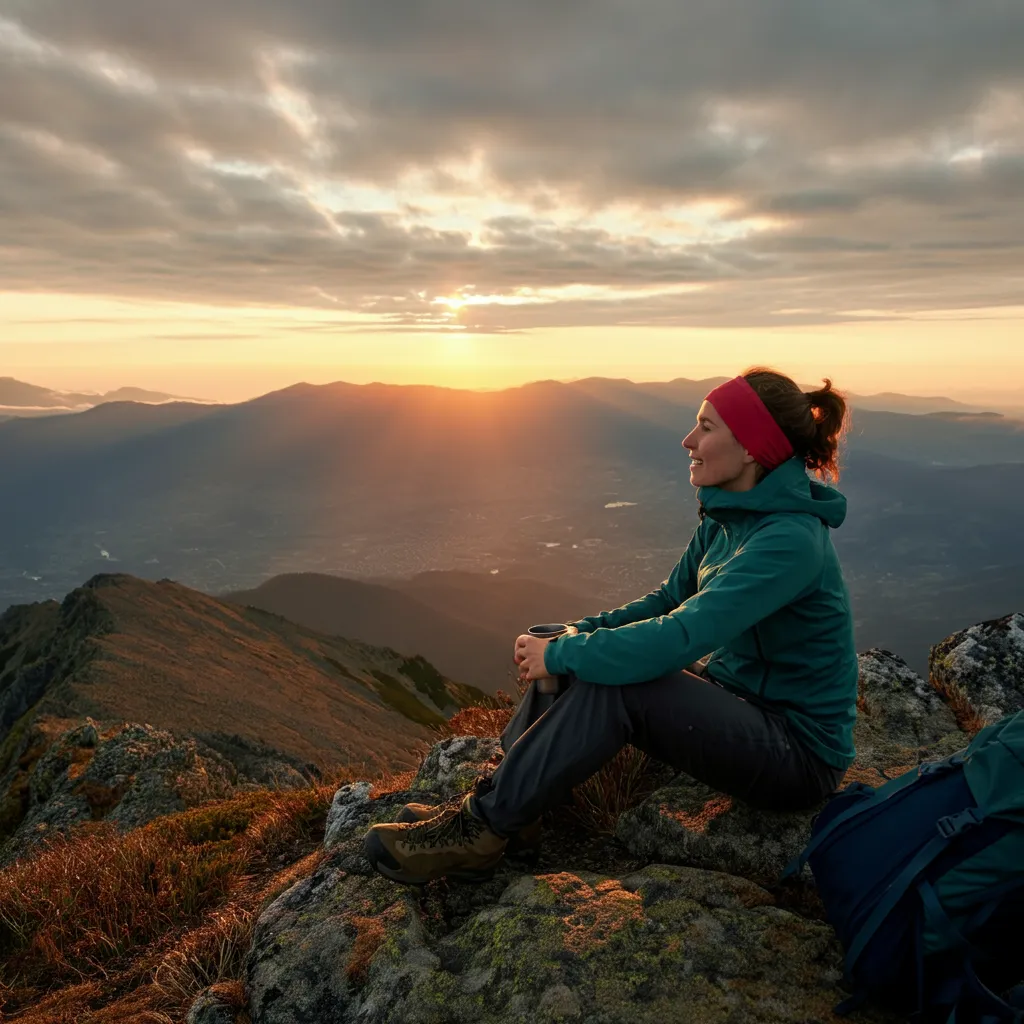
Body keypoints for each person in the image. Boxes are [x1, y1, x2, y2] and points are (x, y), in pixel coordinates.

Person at [363, 366, 859, 886]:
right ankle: (517, 810)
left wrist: (563, 657)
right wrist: (573, 636)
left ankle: (481, 831)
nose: (688, 440)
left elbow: (682, 635)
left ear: (753, 448)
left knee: (616, 685)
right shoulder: (730, 515)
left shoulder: (788, 542)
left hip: (796, 755)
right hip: (740, 704)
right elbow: (669, 599)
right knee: (573, 644)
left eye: (707, 428)